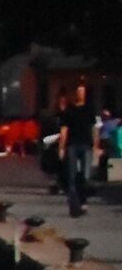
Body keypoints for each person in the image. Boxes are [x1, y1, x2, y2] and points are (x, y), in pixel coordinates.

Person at [57, 85, 97, 217]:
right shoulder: (69, 110)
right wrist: (61, 147)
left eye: (83, 92)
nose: (81, 94)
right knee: (72, 176)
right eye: (79, 91)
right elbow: (64, 129)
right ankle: (74, 205)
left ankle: (83, 202)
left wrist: (96, 146)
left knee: (85, 176)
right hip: (72, 144)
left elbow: (94, 128)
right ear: (75, 94)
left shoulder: (89, 109)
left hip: (86, 144)